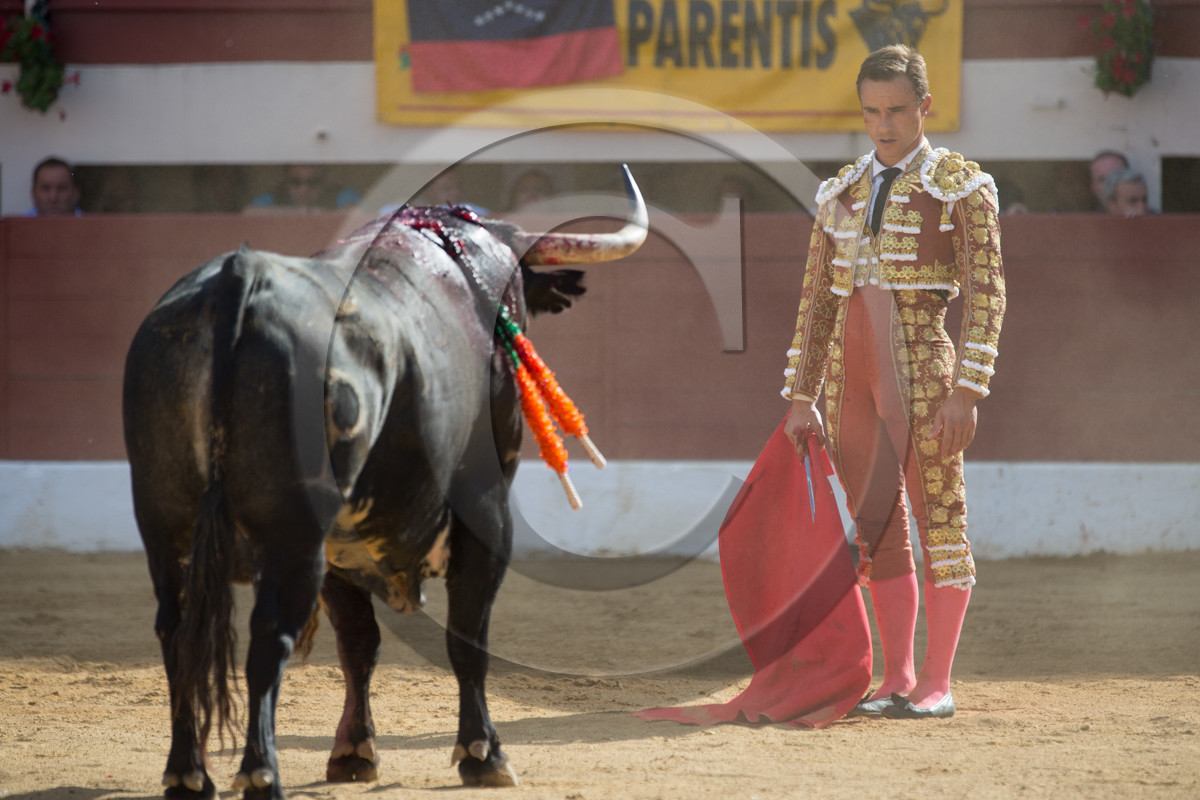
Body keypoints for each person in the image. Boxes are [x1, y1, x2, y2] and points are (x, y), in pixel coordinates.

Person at [781, 44, 1005, 720]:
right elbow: (818, 300)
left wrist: (968, 389)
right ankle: (898, 674)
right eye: (874, 112)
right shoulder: (839, 191)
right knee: (876, 527)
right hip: (851, 381)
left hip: (922, 372)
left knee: (940, 514)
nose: (884, 126)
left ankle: (938, 679)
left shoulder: (961, 185)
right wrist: (800, 395)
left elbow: (989, 294)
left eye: (898, 112)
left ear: (925, 108)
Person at [244, 163, 360, 213]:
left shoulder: (340, 194)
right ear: (286, 182)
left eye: (313, 182)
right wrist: (302, 213)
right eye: (296, 182)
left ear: (323, 182)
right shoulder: (276, 196)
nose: (304, 189)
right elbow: (249, 213)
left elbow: (357, 213)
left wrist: (321, 215)